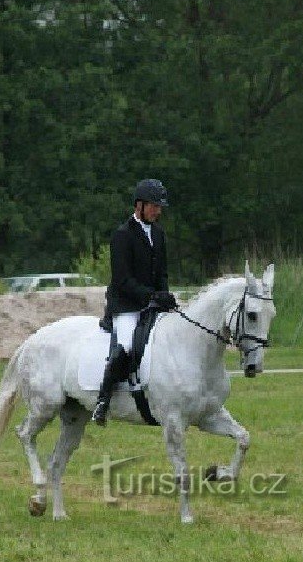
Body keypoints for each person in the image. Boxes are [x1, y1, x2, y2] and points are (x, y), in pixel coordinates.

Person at [91, 178, 177, 426]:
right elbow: (122, 279)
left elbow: (161, 273)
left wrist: (165, 296)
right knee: (127, 345)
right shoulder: (122, 235)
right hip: (126, 305)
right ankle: (102, 400)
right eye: (154, 206)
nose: (158, 211)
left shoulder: (159, 235)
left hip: (152, 304)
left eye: (159, 207)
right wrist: (150, 296)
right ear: (139, 205)